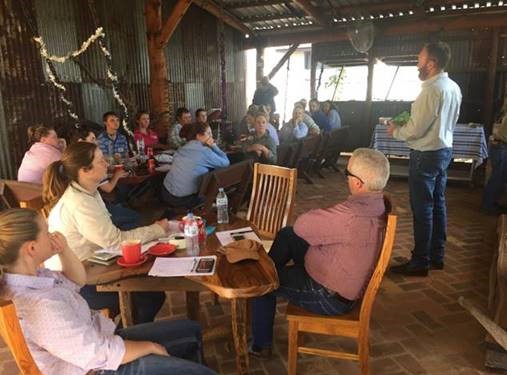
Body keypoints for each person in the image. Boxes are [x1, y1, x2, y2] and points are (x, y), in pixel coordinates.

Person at [0, 208, 220, 375]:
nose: (52, 235)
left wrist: (64, 249)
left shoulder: (34, 277)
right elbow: (95, 354)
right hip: (94, 373)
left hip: (100, 345)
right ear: (31, 248)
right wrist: (149, 346)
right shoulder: (38, 306)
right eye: (46, 232)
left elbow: (77, 281)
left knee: (190, 331)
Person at [250, 148, 390, 357]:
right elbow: (300, 231)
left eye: (347, 174)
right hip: (338, 276)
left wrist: (325, 215)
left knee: (261, 283)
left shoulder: (350, 216)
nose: (346, 179)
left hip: (328, 295)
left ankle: (260, 344)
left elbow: (303, 225)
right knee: (287, 235)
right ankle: (272, 277)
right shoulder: (378, 204)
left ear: (358, 183)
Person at [42, 142, 168, 323]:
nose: (107, 164)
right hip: (76, 284)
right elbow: (115, 241)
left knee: (146, 284)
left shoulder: (88, 191)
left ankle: (130, 339)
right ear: (85, 170)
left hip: (90, 267)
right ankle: (126, 342)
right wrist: (158, 229)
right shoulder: (79, 202)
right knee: (149, 297)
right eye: (101, 161)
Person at [387, 41, 462, 276]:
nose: (417, 63)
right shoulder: (452, 86)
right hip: (443, 151)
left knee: (423, 210)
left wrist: (396, 131)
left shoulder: (431, 90)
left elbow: (416, 129)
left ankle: (420, 261)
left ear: (431, 63)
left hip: (426, 154)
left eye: (420, 59)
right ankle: (436, 256)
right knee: (438, 205)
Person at [71, 127, 140, 230]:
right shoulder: (87, 161)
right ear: (81, 142)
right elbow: (107, 188)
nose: (97, 142)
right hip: (94, 209)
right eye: (92, 139)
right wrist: (116, 175)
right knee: (135, 216)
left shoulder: (74, 159)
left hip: (92, 205)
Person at [162, 122, 230, 209]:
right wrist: (214, 146)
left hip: (166, 192)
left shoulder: (181, 148)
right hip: (183, 200)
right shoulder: (204, 151)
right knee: (208, 193)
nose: (211, 136)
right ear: (198, 136)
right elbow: (226, 163)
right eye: (208, 133)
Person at [482, 97, 507, 214]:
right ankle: (488, 205)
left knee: (498, 177)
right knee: (498, 178)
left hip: (499, 144)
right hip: (501, 145)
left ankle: (491, 203)